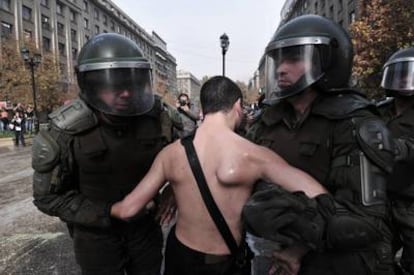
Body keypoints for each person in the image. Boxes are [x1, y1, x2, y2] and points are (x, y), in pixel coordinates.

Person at [111, 76, 328, 275]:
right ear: (237, 106)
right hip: (226, 264)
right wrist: (297, 250)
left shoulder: (170, 154)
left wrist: (89, 209)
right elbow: (322, 198)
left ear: (204, 108)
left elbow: (127, 209)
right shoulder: (254, 155)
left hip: (180, 259)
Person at [244, 15, 396, 274]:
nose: (281, 68)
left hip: (334, 263)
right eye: (279, 59)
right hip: (271, 256)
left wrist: (298, 244)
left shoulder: (355, 123)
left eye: (293, 58)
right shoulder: (266, 121)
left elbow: (365, 222)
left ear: (327, 60)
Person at [31, 33, 174, 275]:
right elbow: (47, 197)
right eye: (113, 86)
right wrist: (112, 211)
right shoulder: (65, 132)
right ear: (92, 86)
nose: (126, 93)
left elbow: (192, 153)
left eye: (130, 84)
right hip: (95, 237)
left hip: (145, 230)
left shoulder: (159, 118)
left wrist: (174, 191)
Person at [377, 47, 414, 274]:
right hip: (383, 198)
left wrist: (400, 148)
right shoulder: (380, 110)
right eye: (399, 74)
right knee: (377, 258)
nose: (404, 80)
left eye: (409, 74)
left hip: (411, 201)